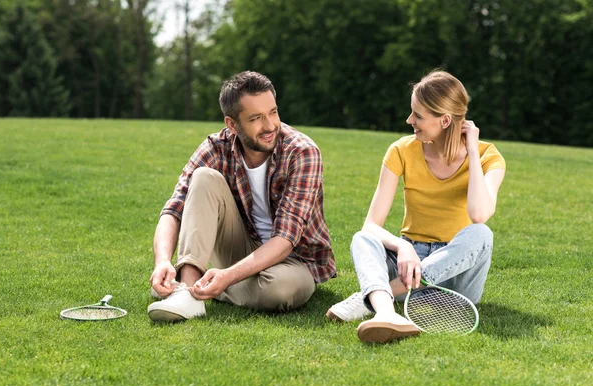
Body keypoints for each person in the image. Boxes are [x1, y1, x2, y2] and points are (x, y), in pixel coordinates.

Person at [326, 70, 506, 343]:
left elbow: (479, 214)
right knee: (363, 239)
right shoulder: (401, 150)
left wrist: (471, 151)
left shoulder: (487, 156)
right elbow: (371, 225)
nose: (409, 120)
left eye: (418, 116)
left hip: (455, 274)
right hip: (408, 259)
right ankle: (386, 312)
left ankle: (378, 295)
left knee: (481, 233)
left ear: (445, 120)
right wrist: (404, 247)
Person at [147, 71, 336, 322]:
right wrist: (162, 262)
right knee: (203, 177)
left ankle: (196, 286)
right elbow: (174, 209)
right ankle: (187, 293)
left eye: (273, 112)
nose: (269, 126)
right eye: (256, 118)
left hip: (292, 260)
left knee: (280, 291)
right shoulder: (216, 147)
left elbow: (285, 240)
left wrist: (227, 276)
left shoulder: (302, 152)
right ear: (232, 124)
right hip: (240, 247)